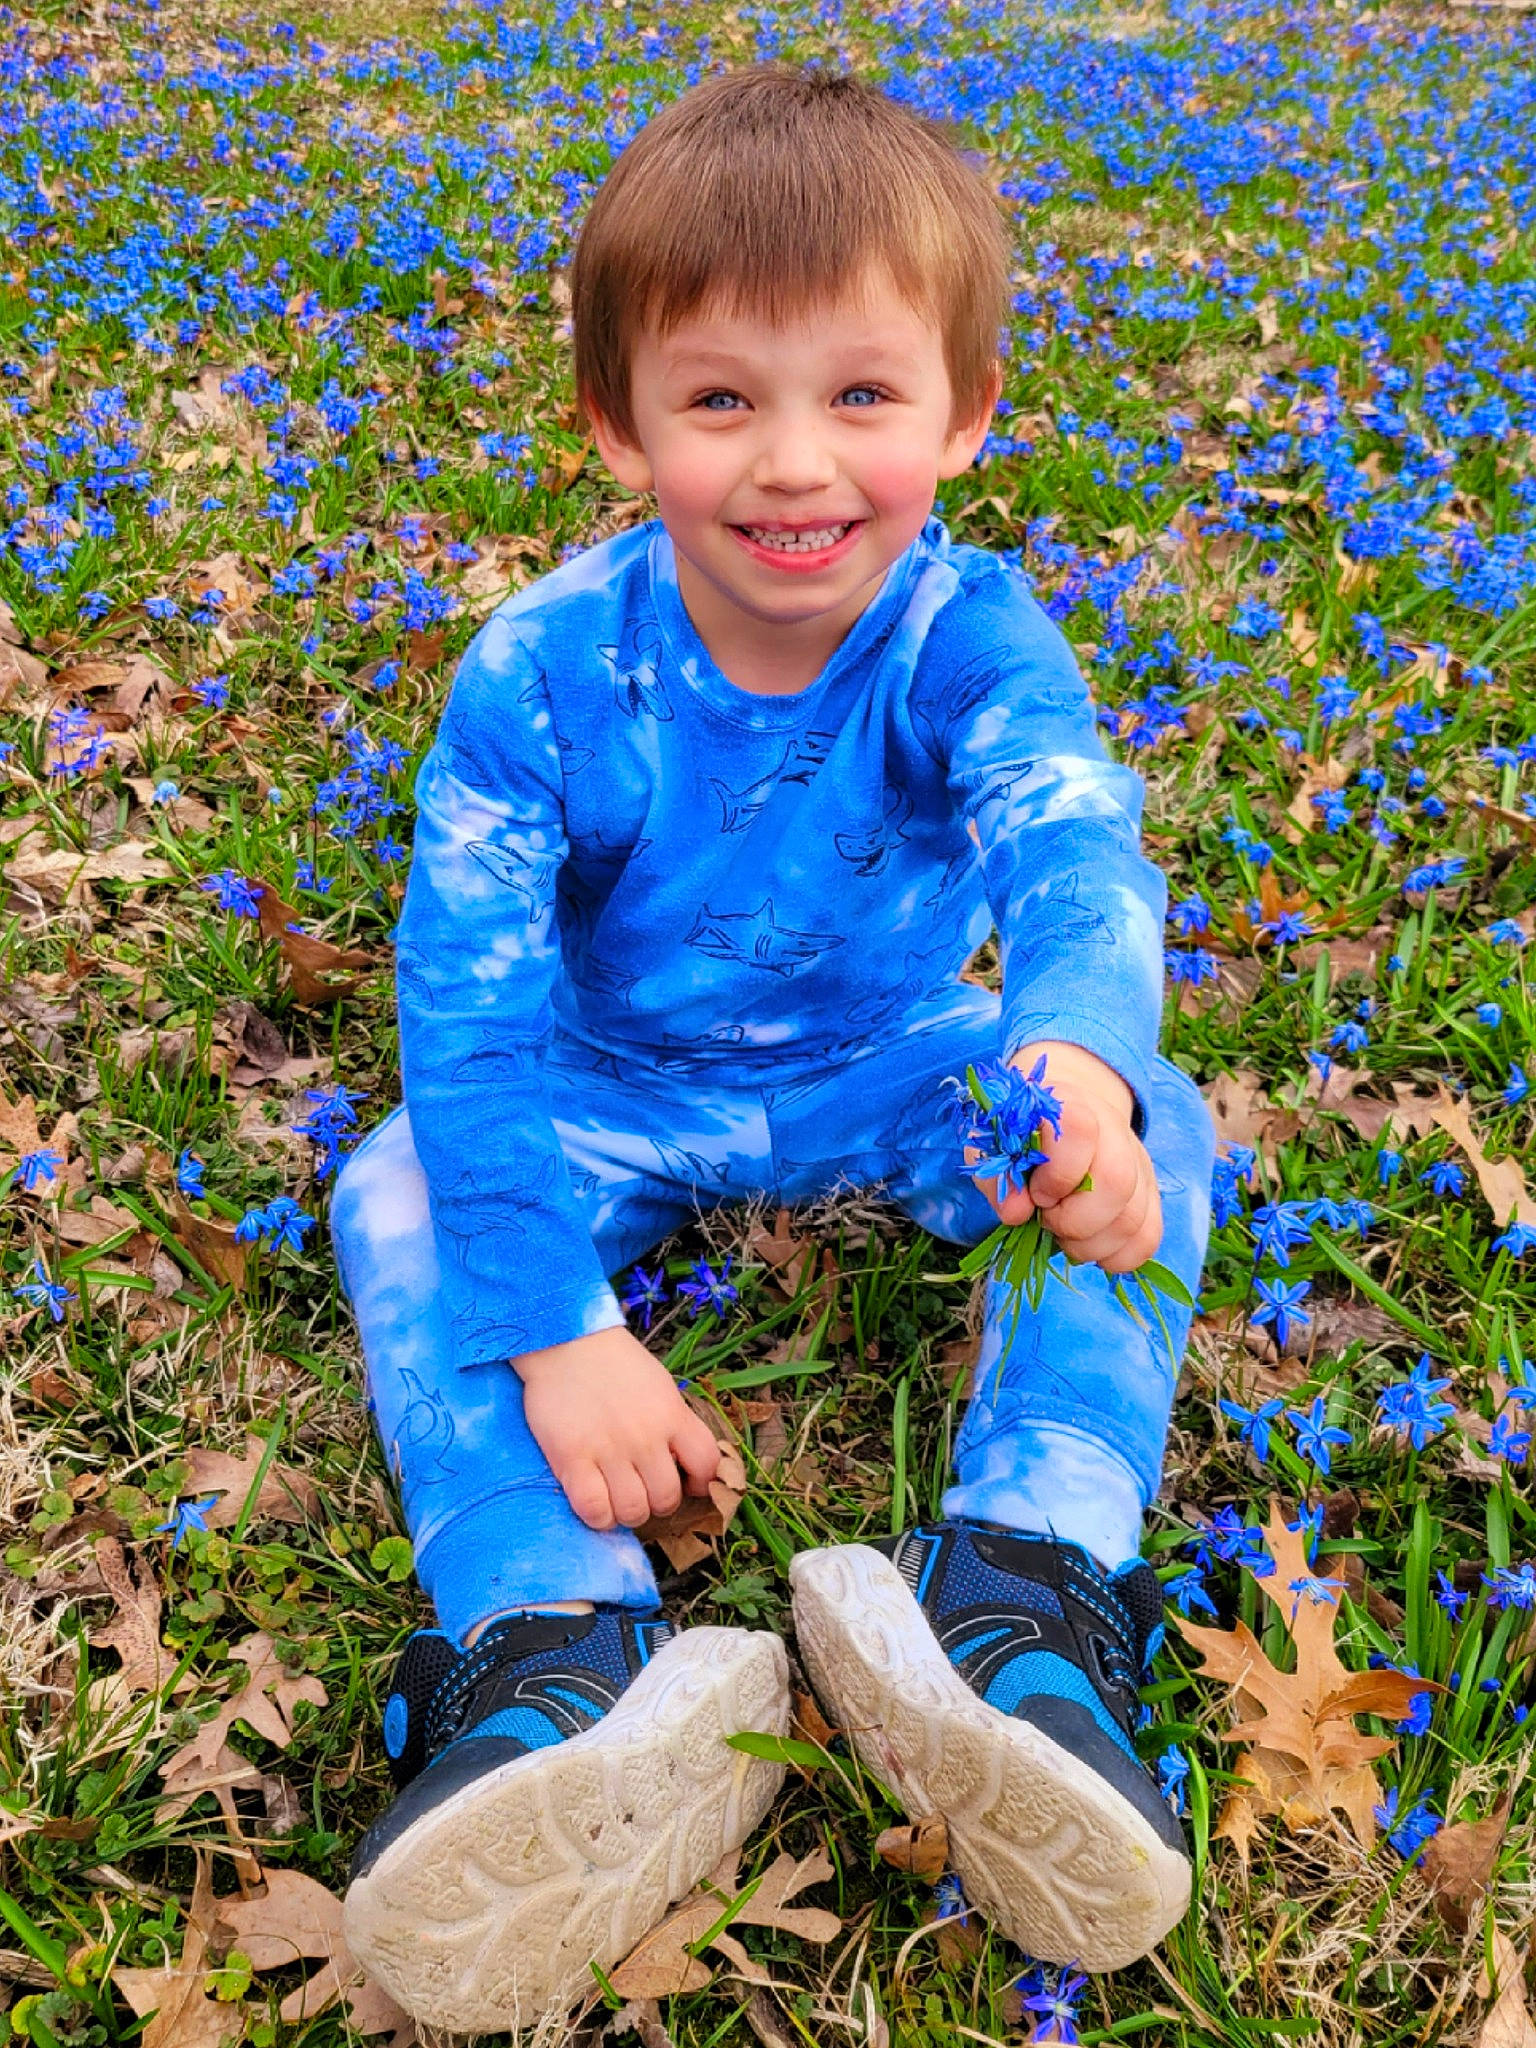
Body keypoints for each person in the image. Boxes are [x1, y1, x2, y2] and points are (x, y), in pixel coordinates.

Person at [330, 61, 1215, 2033]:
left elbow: (1078, 851)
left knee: (1159, 1114)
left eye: (863, 396)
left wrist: (1074, 1066)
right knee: (403, 1171)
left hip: (890, 1067)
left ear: (967, 416)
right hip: (605, 1080)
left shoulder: (970, 636)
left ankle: (1029, 1590)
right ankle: (548, 1645)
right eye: (722, 398)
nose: (797, 465)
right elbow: (464, 1006)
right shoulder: (537, 671)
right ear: (617, 423)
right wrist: (558, 1325)